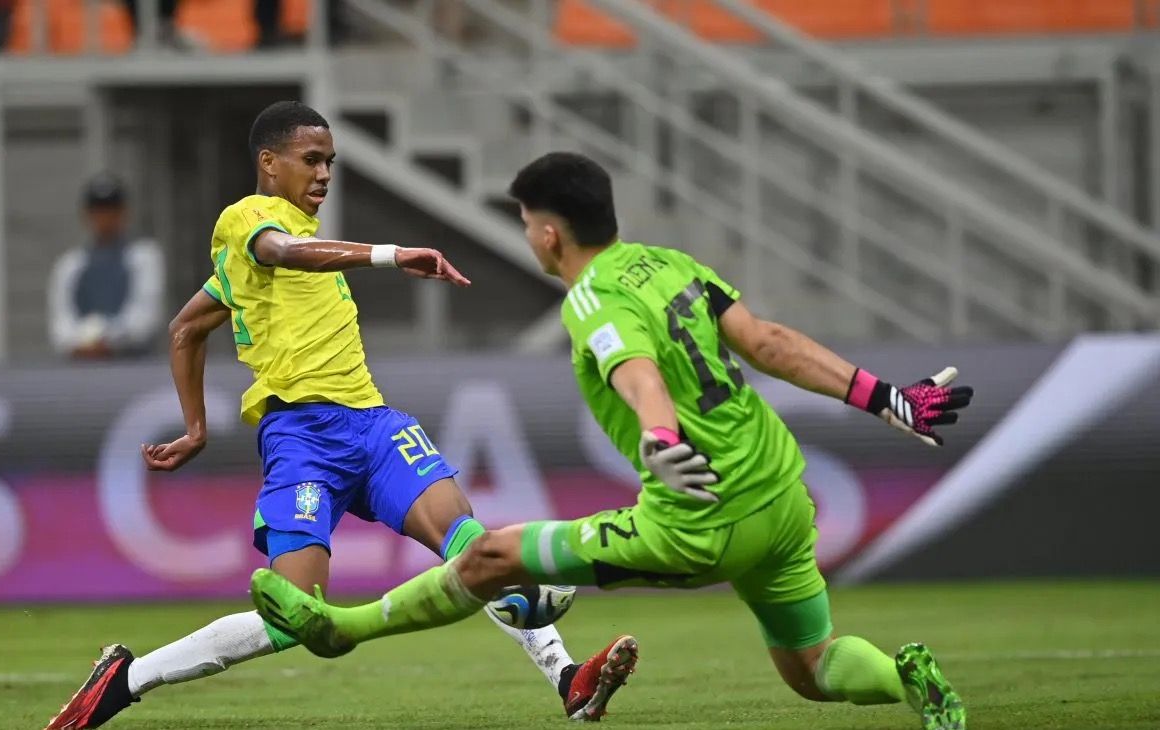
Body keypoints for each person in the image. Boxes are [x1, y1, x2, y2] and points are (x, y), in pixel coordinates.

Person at [248, 151, 974, 730]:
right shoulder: (670, 264)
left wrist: (659, 438)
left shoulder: (593, 297)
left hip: (699, 518)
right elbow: (769, 341)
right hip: (782, 500)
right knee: (813, 668)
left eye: (528, 221)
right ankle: (901, 678)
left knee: (491, 556)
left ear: (548, 233)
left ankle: (342, 629)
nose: (529, 232)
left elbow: (637, 372)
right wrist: (888, 397)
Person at [44, 107, 634, 730]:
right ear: (269, 163)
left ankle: (569, 680)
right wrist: (390, 254)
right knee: (295, 614)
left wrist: (196, 426)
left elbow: (187, 327)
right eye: (312, 159)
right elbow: (284, 252)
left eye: (330, 161)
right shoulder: (249, 220)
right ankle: (124, 680)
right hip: (302, 439)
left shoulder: (267, 257)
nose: (325, 173)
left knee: (468, 541)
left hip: (375, 428)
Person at [48, 173, 165, 360]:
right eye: (99, 211)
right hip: (82, 369)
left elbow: (144, 319)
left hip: (134, 365)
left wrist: (107, 339)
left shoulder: (144, 257)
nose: (105, 218)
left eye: (112, 210)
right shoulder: (70, 265)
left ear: (124, 213)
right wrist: (82, 341)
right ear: (87, 215)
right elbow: (61, 325)